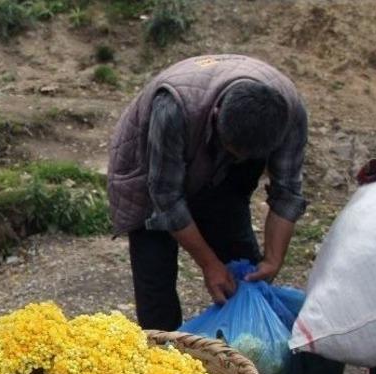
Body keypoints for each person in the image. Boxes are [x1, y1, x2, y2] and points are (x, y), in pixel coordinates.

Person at [107, 55, 309, 331]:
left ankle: (246, 355)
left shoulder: (289, 114)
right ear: (217, 115)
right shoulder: (172, 108)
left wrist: (272, 259)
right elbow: (165, 198)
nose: (238, 159)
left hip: (222, 178)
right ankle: (164, 363)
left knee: (246, 273)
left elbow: (287, 193)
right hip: (150, 174)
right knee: (156, 282)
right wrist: (208, 263)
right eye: (232, 151)